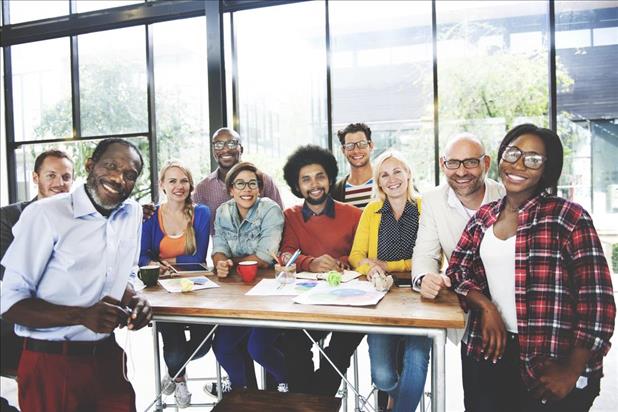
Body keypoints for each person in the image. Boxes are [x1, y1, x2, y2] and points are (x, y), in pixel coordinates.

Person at [446, 124, 615, 412]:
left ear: (547, 170)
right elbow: (457, 271)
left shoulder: (569, 218)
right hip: (488, 352)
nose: (519, 164)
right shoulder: (484, 217)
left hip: (551, 359)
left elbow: (597, 302)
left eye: (533, 159)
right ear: (500, 158)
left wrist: (573, 370)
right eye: (513, 153)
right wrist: (485, 306)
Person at [0, 138, 152, 412]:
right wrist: (81, 315)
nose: (119, 178)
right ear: (90, 166)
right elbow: (9, 305)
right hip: (51, 363)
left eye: (130, 175)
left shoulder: (132, 214)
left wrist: (134, 299)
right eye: (111, 166)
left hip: (107, 358)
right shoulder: (45, 214)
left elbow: (120, 276)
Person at [411, 133, 504, 411]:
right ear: (443, 164)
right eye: (453, 163)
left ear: (486, 163)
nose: (461, 171)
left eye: (471, 162)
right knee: (477, 399)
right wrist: (425, 278)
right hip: (471, 315)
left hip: (517, 314)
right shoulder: (432, 200)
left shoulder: (507, 194)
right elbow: (424, 254)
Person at [348, 150, 429, 411]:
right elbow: (356, 255)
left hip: (419, 297)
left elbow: (432, 258)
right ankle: (400, 395)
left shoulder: (424, 207)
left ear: (408, 175)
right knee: (382, 376)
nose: (391, 178)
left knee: (417, 358)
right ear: (379, 182)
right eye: (384, 174)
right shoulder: (371, 211)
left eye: (397, 171)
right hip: (380, 298)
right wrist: (368, 269)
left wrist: (387, 265)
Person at [279, 145, 363, 396]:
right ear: (297, 185)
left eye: (320, 176)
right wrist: (310, 262)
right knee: (292, 343)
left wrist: (344, 261)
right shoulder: (291, 216)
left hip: (349, 304)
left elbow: (364, 254)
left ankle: (317, 399)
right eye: (306, 179)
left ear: (329, 178)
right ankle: (309, 400)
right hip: (307, 305)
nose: (314, 184)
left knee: (340, 348)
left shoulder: (354, 214)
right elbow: (286, 254)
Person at [0, 149, 74, 412]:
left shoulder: (82, 220)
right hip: (22, 321)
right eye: (51, 175)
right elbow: (11, 272)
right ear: (35, 177)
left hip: (76, 323)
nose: (59, 183)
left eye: (66, 176)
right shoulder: (9, 216)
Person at [139, 160, 212, 408]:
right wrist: (154, 261)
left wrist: (162, 260)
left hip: (196, 288)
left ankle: (172, 372)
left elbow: (198, 258)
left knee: (204, 344)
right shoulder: (151, 216)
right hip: (163, 291)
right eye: (172, 181)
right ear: (162, 185)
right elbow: (141, 255)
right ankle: (180, 379)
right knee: (173, 341)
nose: (179, 186)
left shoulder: (201, 213)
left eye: (183, 180)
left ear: (190, 185)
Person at [211, 162, 287, 392]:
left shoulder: (269, 209)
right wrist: (220, 263)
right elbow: (219, 247)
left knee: (257, 348)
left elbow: (265, 254)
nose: (247, 189)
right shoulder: (223, 211)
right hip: (238, 294)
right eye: (240, 184)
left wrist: (231, 264)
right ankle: (240, 390)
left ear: (260, 188)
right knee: (222, 346)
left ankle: (288, 382)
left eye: (252, 184)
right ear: (231, 190)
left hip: (269, 293)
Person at [194, 127, 283, 234]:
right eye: (218, 144)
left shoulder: (264, 181)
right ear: (213, 151)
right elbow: (194, 228)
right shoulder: (202, 188)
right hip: (221, 249)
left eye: (231, 144)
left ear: (241, 149)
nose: (225, 149)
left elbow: (281, 221)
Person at [331, 122, 374, 209]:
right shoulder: (336, 191)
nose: (356, 151)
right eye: (350, 146)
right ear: (343, 150)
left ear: (371, 146)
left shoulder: (385, 182)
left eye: (362, 144)